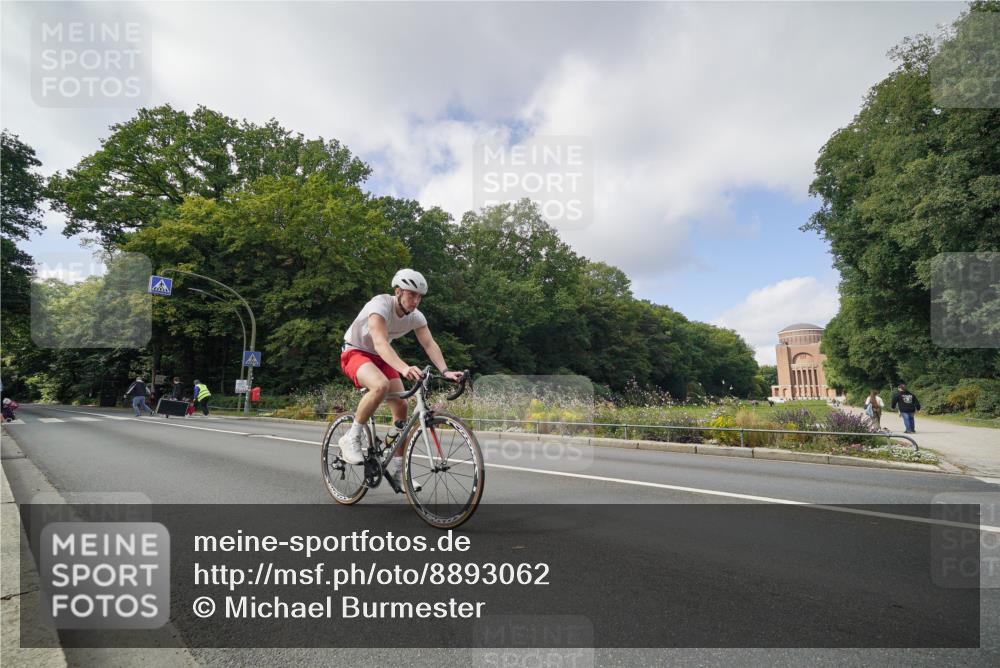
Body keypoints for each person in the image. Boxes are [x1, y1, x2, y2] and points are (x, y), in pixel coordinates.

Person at [338, 269, 463, 486]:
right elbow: (379, 342)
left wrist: (445, 371)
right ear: (398, 292)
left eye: (419, 297)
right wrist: (404, 368)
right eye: (411, 295)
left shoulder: (416, 317)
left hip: (381, 357)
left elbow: (429, 344)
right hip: (355, 351)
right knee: (380, 385)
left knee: (402, 407)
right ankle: (351, 436)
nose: (416, 301)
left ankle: (398, 471)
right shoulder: (380, 305)